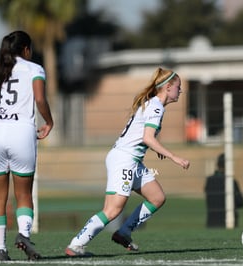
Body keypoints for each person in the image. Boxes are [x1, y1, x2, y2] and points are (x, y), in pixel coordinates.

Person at [65, 68, 190, 256]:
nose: (180, 91)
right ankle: (76, 244)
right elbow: (148, 138)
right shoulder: (156, 106)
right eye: (178, 87)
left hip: (132, 160)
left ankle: (123, 233)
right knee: (112, 209)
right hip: (124, 160)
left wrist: (157, 148)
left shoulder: (154, 104)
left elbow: (144, 138)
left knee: (157, 197)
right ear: (168, 87)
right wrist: (174, 157)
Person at [0, 30, 53, 261]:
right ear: (26, 49)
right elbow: (39, 99)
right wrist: (49, 121)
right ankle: (24, 235)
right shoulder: (35, 69)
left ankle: (0, 250)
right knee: (24, 193)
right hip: (21, 132)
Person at [204, 153, 243, 228]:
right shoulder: (231, 181)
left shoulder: (209, 180)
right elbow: (240, 202)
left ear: (218, 164)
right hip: (228, 222)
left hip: (211, 222)